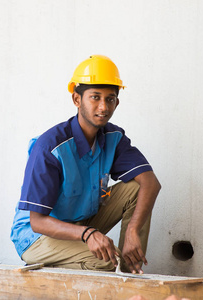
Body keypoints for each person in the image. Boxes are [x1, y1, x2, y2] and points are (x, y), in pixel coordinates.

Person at [10, 55, 161, 274]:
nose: (103, 106)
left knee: (137, 189)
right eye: (95, 97)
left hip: (81, 223)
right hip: (38, 237)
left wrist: (132, 230)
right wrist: (88, 234)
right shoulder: (50, 147)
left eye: (110, 99)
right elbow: (38, 222)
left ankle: (132, 280)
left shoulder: (113, 137)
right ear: (77, 100)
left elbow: (150, 182)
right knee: (104, 260)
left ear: (117, 103)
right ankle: (65, 260)